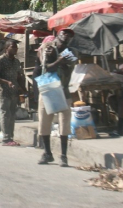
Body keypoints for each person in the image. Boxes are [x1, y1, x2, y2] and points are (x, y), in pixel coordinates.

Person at [37, 28, 77, 167]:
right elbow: (45, 68)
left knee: (64, 123)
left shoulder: (71, 52)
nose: (66, 36)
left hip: (63, 90)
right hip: (47, 89)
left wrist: (58, 60)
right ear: (58, 35)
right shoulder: (46, 47)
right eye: (64, 33)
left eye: (69, 35)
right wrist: (57, 60)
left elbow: (69, 67)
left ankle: (64, 155)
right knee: (44, 122)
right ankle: (47, 153)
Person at [0, 39, 25, 146]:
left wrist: (23, 88)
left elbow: (19, 76)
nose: (15, 49)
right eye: (13, 47)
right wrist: (7, 82)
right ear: (7, 48)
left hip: (13, 92)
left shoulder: (16, 62)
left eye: (16, 47)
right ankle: (6, 139)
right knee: (5, 114)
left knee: (12, 115)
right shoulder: (0, 60)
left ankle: (11, 137)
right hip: (3, 91)